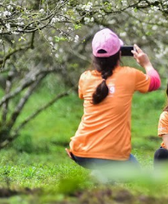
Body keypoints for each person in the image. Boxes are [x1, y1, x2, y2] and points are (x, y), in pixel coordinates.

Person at [68, 28, 161, 170]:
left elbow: (83, 95)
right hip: (114, 155)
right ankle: (103, 173)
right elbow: (155, 82)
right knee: (135, 172)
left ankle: (99, 171)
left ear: (94, 56)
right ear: (119, 53)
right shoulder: (130, 75)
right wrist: (146, 64)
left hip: (81, 152)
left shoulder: (85, 77)